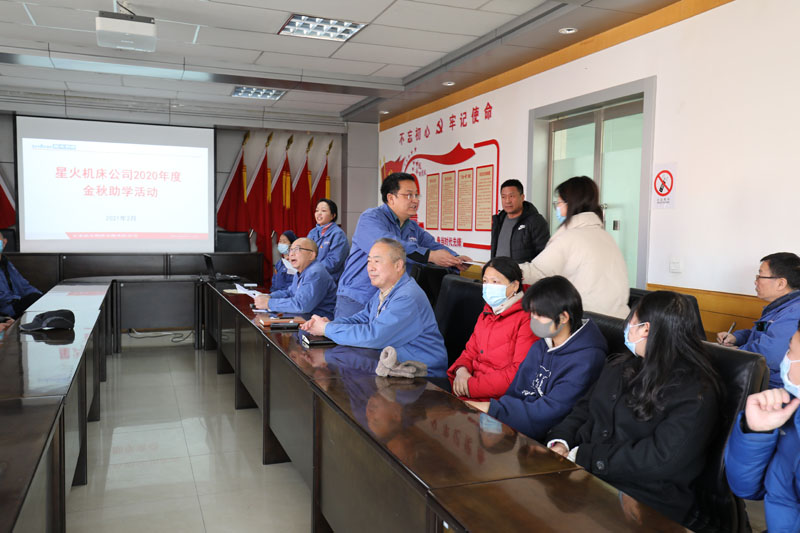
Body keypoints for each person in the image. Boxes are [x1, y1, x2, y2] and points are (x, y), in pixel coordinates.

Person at [546, 291, 721, 526]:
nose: (627, 327)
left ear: (646, 329)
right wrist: (562, 441)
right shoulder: (620, 364)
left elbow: (661, 459)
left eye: (632, 320)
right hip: (587, 475)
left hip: (644, 497)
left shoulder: (695, 391)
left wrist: (586, 456)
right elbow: (584, 408)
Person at [466, 276, 607, 442]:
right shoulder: (540, 346)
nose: (533, 320)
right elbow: (515, 393)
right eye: (532, 313)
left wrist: (492, 409)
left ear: (563, 317)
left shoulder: (587, 359)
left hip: (549, 438)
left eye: (539, 315)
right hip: (515, 427)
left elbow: (551, 413)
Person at [302, 238, 449, 377]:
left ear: (398, 265)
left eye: (377, 261)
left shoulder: (407, 297)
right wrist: (330, 324)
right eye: (369, 261)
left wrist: (326, 329)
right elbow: (363, 318)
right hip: (392, 366)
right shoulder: (385, 290)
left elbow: (374, 336)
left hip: (423, 376)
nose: (370, 268)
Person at [334, 172, 472, 318]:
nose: (415, 200)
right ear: (391, 198)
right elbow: (390, 247)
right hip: (359, 297)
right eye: (408, 195)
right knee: (350, 333)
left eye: (416, 195)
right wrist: (430, 256)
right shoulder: (371, 218)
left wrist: (455, 259)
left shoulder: (412, 228)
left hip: (390, 300)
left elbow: (433, 245)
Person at [724, 321, 800, 532]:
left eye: (790, 350)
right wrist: (756, 432)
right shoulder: (790, 412)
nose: (785, 359)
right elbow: (746, 488)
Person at [519, 176, 629, 318]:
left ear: (570, 204)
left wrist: (501, 271)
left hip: (587, 318)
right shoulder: (606, 236)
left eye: (558, 203)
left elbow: (536, 273)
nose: (557, 208)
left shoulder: (570, 238)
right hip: (618, 321)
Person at [447, 257, 538, 401]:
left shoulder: (528, 319)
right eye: (485, 281)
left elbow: (518, 374)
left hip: (498, 398)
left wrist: (470, 387)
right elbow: (470, 352)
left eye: (495, 282)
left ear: (515, 285)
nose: (488, 287)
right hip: (469, 388)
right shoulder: (488, 311)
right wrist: (461, 371)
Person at [717, 252, 800, 388]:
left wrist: (735, 351)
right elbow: (759, 332)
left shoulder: (795, 312)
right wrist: (736, 338)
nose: (756, 281)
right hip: (758, 376)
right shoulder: (778, 308)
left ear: (781, 283)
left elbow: (771, 354)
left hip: (774, 388)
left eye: (760, 276)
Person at [254, 238, 335, 319]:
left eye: (297, 249)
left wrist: (269, 303)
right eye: (290, 250)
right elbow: (290, 293)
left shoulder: (315, 273)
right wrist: (269, 297)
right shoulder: (301, 271)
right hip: (303, 318)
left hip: (317, 321)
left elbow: (301, 305)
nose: (291, 254)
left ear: (311, 255)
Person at [490, 179, 549, 263]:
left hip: (522, 271)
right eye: (503, 197)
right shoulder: (499, 220)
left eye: (511, 196)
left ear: (522, 197)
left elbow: (544, 255)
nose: (507, 201)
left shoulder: (535, 221)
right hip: (497, 270)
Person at [306, 199, 349, 283]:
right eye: (317, 210)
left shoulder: (338, 234)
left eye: (323, 210)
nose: (319, 213)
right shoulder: (312, 232)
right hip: (311, 276)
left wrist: (312, 269)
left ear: (333, 215)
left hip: (329, 280)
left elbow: (333, 262)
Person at [0, 236, 41, 318]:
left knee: (38, 298)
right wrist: (19, 299)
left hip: (15, 305)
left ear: (4, 242)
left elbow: (24, 285)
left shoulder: (6, 263)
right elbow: (3, 297)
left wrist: (40, 296)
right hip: (5, 310)